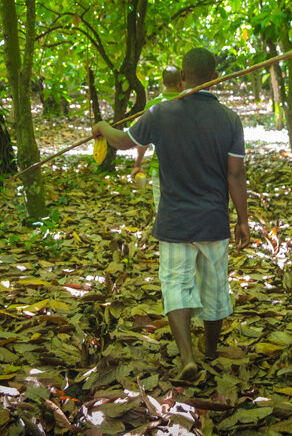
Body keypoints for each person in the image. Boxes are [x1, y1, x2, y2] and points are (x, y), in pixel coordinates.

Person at [93, 48, 249, 381]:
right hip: (213, 221)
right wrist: (244, 220)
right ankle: (210, 350)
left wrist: (102, 125)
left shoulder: (160, 114)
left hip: (176, 222)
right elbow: (235, 175)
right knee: (215, 289)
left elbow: (122, 142)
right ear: (216, 77)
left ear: (182, 78)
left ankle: (188, 358)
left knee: (176, 286)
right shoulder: (229, 119)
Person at [130, 66, 183, 213]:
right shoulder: (189, 102)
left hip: (160, 167)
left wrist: (138, 164)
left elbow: (143, 140)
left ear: (163, 83)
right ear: (181, 81)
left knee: (163, 210)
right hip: (187, 168)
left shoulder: (152, 106)